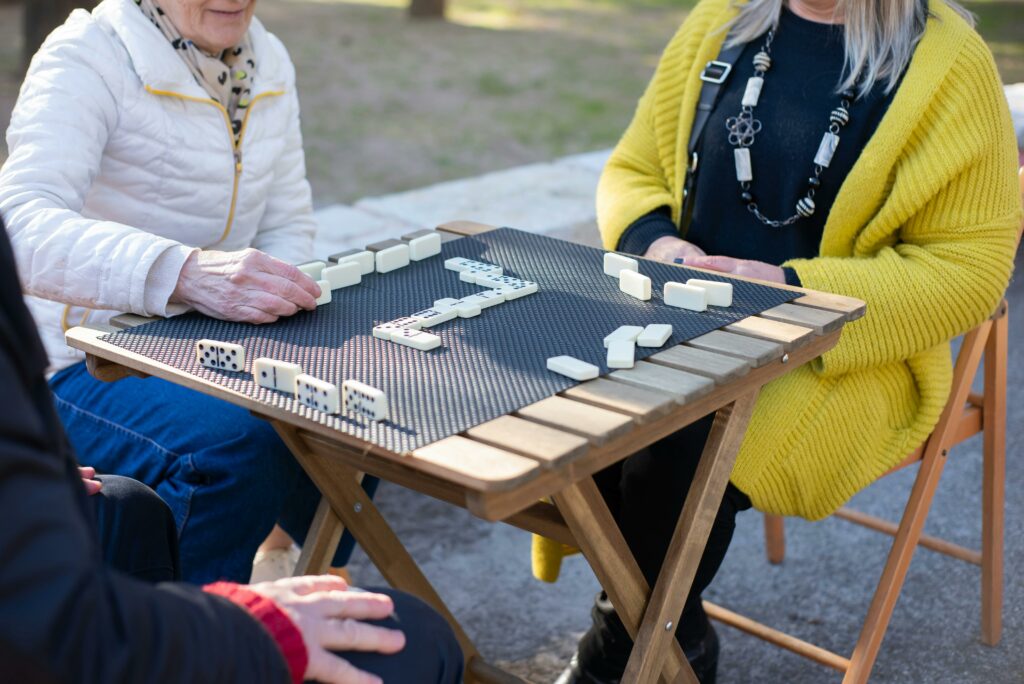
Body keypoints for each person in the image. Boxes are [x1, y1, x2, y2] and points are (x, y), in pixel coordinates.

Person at [549, 0, 1022, 681]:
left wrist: (785, 284)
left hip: (839, 351)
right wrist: (660, 243)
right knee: (562, 410)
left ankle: (618, 652)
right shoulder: (724, 17)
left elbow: (968, 272)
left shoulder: (948, 63)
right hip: (676, 317)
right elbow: (632, 169)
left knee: (675, 434)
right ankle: (676, 639)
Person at [0, 0, 376, 584]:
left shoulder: (268, 57)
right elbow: (19, 226)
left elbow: (287, 223)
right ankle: (186, 637)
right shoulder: (87, 54)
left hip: (201, 341)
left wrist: (282, 310)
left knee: (360, 394)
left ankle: (296, 575)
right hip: (74, 360)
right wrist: (184, 273)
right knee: (233, 448)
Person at [0, 217, 465, 684]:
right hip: (90, 355)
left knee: (125, 504)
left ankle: (297, 565)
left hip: (215, 334)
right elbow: (44, 624)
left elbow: (288, 225)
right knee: (418, 637)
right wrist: (249, 628)